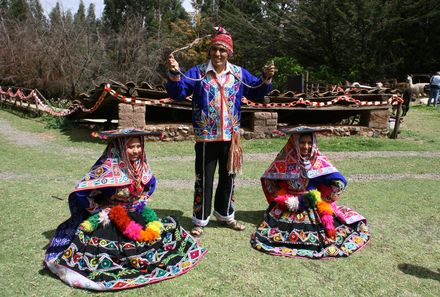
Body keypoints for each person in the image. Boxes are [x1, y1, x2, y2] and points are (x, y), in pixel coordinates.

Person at [44, 129, 207, 291]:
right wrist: (97, 209)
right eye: (131, 147)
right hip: (113, 220)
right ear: (121, 148)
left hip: (137, 215)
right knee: (109, 252)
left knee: (157, 237)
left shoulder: (140, 166)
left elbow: (152, 183)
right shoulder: (107, 168)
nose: (136, 150)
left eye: (138, 146)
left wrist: (142, 199)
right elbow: (80, 193)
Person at [165, 27, 276, 237]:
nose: (218, 54)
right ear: (209, 51)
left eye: (222, 50)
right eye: (214, 49)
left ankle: (225, 214)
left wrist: (266, 77)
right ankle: (200, 219)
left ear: (229, 53)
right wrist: (173, 73)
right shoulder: (197, 73)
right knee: (204, 179)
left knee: (229, 177)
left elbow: (257, 91)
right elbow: (178, 93)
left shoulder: (238, 74)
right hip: (206, 137)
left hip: (231, 137)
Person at [250, 127, 370, 259]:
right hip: (288, 203)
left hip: (311, 202)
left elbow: (338, 179)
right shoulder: (284, 158)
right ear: (294, 142)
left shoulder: (317, 161)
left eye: (309, 143)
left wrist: (331, 195)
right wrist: (278, 196)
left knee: (322, 230)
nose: (306, 146)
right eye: (302, 142)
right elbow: (269, 178)